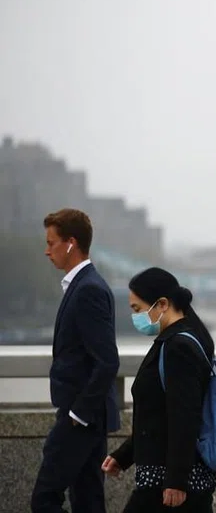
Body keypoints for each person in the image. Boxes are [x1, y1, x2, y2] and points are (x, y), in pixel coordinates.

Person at [101, 267, 216, 512]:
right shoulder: (181, 338)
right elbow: (158, 416)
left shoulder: (179, 347)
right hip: (167, 478)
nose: (135, 316)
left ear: (162, 303)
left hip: (167, 483)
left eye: (137, 309)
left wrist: (176, 480)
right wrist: (124, 456)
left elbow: (184, 417)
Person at [32, 209, 120, 513]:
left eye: (51, 243)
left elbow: (107, 361)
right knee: (88, 501)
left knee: (44, 499)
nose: (47, 251)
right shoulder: (86, 284)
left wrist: (78, 414)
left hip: (80, 418)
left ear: (71, 243)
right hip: (87, 417)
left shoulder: (88, 290)